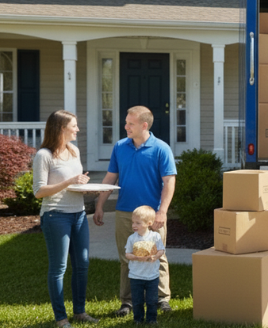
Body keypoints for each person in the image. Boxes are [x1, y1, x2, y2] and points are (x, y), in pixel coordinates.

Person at [93, 106, 177, 317]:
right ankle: (128, 302)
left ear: (144, 125)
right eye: (126, 122)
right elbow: (110, 178)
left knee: (157, 256)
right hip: (125, 213)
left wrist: (162, 212)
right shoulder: (120, 147)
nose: (126, 127)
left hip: (152, 214)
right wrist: (100, 205)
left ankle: (161, 300)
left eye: (130, 123)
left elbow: (169, 182)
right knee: (126, 257)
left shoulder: (161, 148)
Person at [32, 110, 99, 328]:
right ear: (61, 128)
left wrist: (83, 188)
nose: (77, 129)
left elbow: (74, 184)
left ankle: (79, 312)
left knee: (82, 265)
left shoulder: (74, 151)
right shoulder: (44, 155)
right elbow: (39, 191)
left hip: (78, 214)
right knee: (59, 268)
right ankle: (61, 318)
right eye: (74, 126)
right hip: (55, 216)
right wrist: (69, 182)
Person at [125, 205, 166, 325]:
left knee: (152, 300)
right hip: (136, 276)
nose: (134, 225)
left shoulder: (155, 237)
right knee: (137, 300)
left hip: (152, 276)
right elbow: (127, 254)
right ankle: (138, 319)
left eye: (138, 223)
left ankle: (152, 319)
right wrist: (137, 257)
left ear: (149, 223)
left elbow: (161, 250)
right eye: (133, 222)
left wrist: (156, 256)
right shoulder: (132, 239)